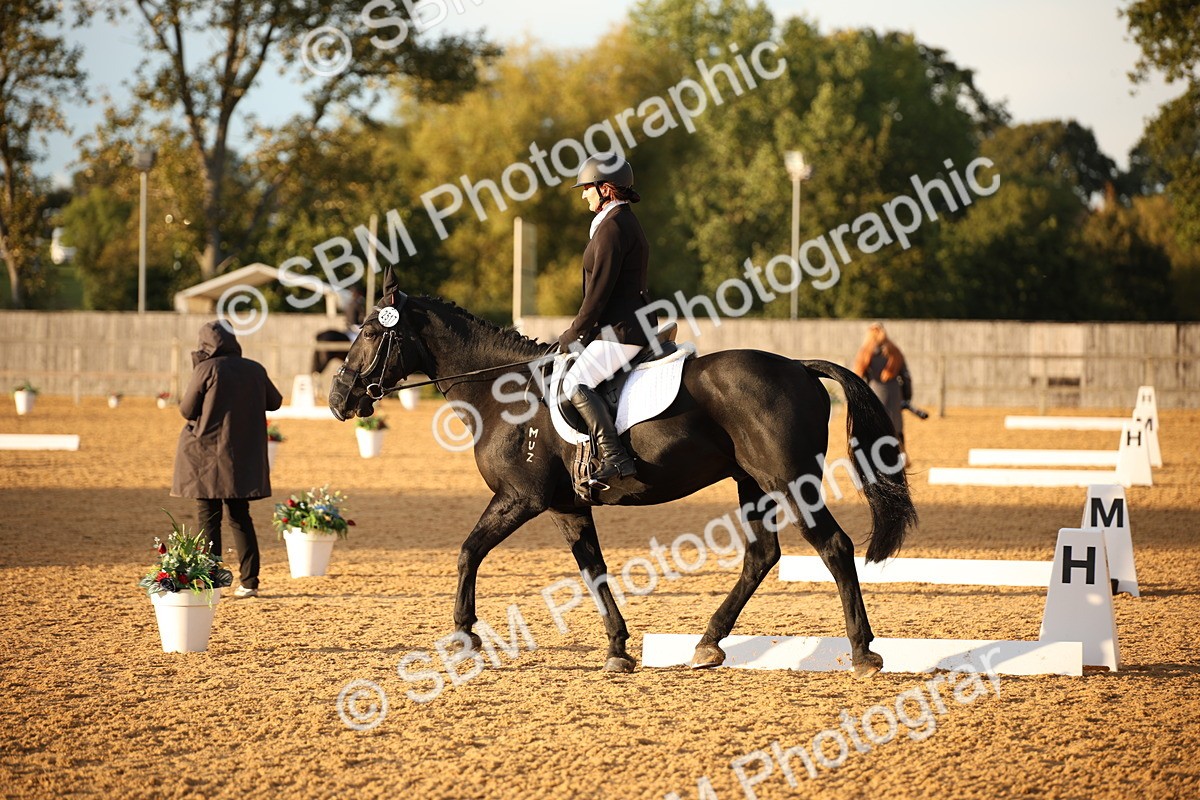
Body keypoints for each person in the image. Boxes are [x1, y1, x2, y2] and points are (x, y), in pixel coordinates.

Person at [558, 153, 651, 486]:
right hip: (622, 327)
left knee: (575, 384)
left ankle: (615, 457)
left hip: (622, 332)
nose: (583, 194)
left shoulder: (613, 228)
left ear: (606, 189)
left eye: (587, 188)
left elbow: (598, 294)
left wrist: (575, 332)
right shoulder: (618, 221)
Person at [172, 321, 283, 598]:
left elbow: (187, 410)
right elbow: (275, 401)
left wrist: (198, 367)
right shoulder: (255, 368)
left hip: (206, 454)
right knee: (240, 516)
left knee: (208, 518)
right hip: (240, 454)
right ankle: (250, 582)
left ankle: (213, 581)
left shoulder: (207, 369)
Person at [853, 322, 907, 446]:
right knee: (896, 428)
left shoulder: (865, 352)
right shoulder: (895, 351)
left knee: (876, 428)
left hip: (875, 391)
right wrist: (906, 397)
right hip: (894, 393)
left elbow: (857, 377)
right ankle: (901, 455)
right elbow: (906, 377)